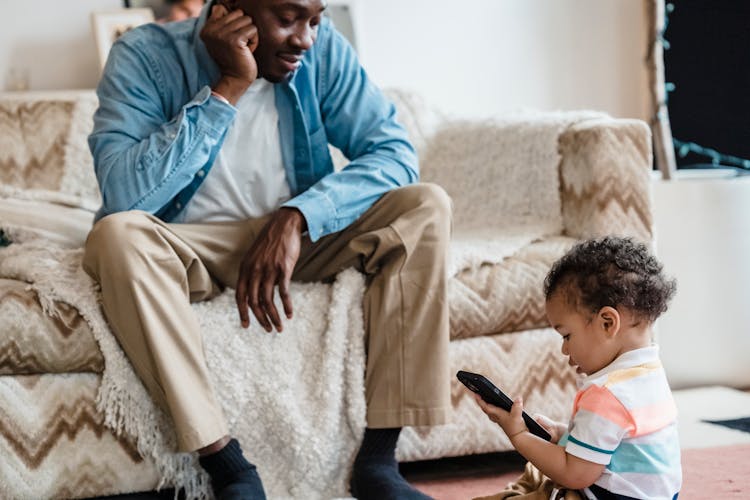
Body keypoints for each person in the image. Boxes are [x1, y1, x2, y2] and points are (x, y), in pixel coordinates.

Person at [82, 1, 451, 499]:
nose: (305, 38)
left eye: (315, 20)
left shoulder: (324, 54)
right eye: (288, 18)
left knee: (425, 205)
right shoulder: (144, 56)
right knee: (115, 237)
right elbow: (125, 197)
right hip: (191, 245)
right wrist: (228, 86)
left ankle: (379, 465)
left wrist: (296, 217)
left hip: (299, 242)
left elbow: (393, 152)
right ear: (233, 8)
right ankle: (228, 468)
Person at [472, 236, 682, 500]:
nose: (564, 350)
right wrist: (564, 435)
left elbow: (573, 474)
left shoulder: (607, 394)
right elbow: (617, 446)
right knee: (540, 471)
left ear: (607, 323)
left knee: (543, 477)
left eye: (566, 336)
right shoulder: (649, 372)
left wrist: (519, 435)